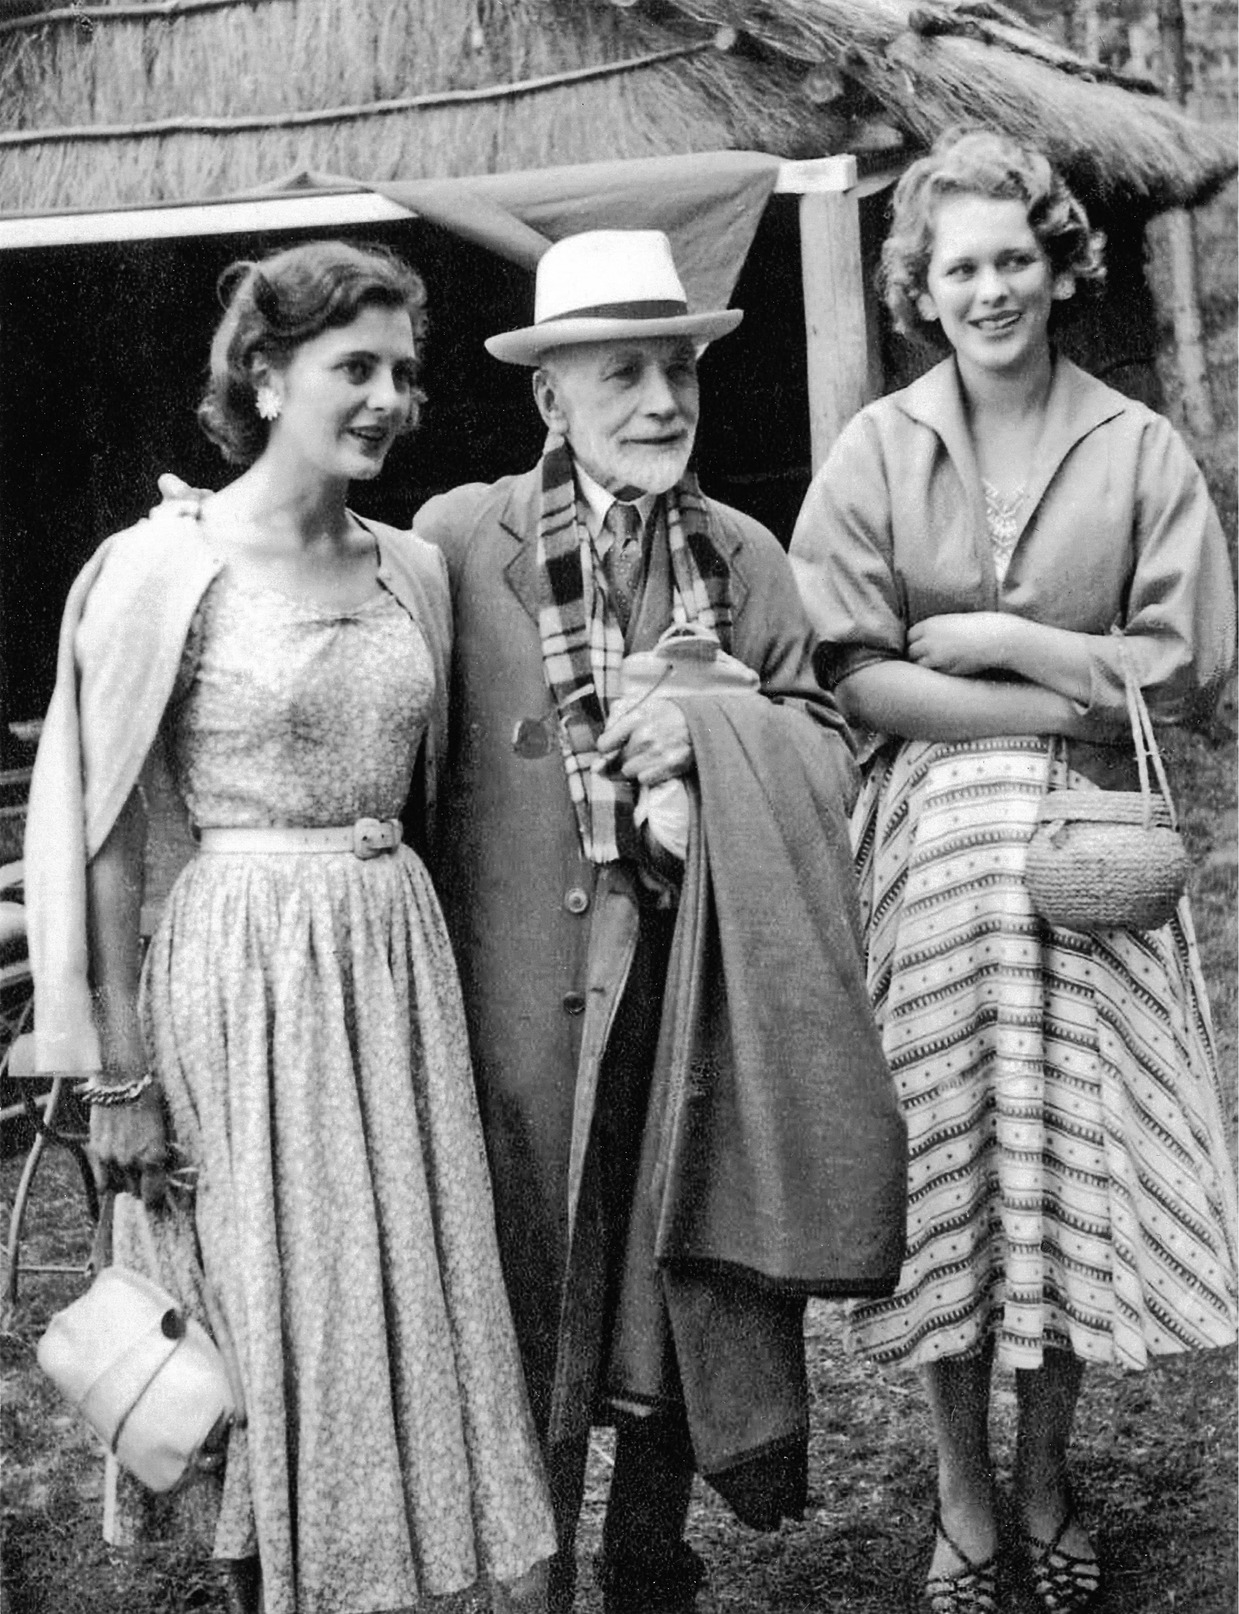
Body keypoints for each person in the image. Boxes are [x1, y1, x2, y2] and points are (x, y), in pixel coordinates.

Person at [23, 240, 556, 1614]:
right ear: (266, 375)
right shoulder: (160, 566)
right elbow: (109, 838)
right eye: (354, 367)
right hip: (239, 978)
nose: (389, 397)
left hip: (390, 967)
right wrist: (119, 1077)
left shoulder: (413, 570)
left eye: (404, 372)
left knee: (388, 1318)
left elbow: (443, 792)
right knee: (264, 1328)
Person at [410, 229, 907, 1613]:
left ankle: (648, 1562)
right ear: (547, 397)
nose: (660, 400)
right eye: (620, 372)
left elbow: (825, 752)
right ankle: (534, 1575)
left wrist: (704, 725)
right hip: (519, 1013)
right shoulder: (459, 542)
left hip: (698, 989)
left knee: (682, 1278)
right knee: (533, 1302)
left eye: (677, 367)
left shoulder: (745, 557)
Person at [789, 128, 1238, 1614]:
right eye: (957, 265)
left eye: (1012, 259)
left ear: (1059, 265)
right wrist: (1067, 693)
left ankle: (1048, 1469)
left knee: (1065, 1182)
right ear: (921, 283)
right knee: (949, 1178)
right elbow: (850, 674)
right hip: (927, 865)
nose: (987, 289)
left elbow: (1190, 672)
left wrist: (1012, 645)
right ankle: (963, 1487)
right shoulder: (876, 447)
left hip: (1093, 865)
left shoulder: (1137, 446)